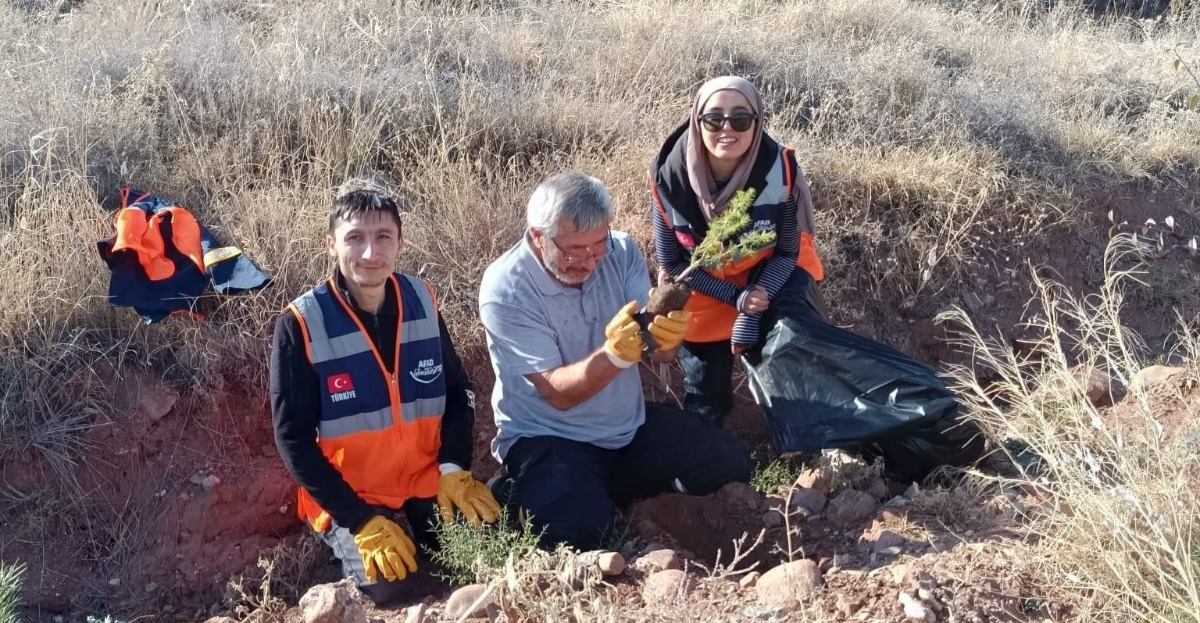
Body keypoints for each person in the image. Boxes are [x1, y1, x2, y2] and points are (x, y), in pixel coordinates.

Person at [479, 171, 753, 551]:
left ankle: (594, 492)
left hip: (624, 429)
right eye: (575, 250)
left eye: (597, 245)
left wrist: (666, 338)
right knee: (579, 535)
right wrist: (614, 355)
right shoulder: (506, 288)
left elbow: (661, 353)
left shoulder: (621, 251)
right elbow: (558, 394)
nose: (590, 262)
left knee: (730, 463)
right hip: (550, 436)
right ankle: (517, 491)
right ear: (539, 238)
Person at [270, 186, 499, 604]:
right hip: (351, 492)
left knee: (481, 554)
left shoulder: (423, 301)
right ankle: (352, 534)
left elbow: (457, 391)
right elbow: (293, 440)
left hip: (425, 479)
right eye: (355, 237)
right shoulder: (301, 323)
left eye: (383, 238)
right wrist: (358, 519)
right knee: (393, 586)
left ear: (400, 243)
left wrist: (452, 470)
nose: (370, 253)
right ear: (332, 244)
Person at [649, 76, 826, 427]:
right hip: (703, 283)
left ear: (757, 123)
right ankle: (707, 453)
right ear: (697, 121)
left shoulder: (781, 170)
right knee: (707, 395)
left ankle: (803, 437)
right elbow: (672, 261)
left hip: (768, 275)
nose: (726, 128)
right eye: (713, 118)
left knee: (795, 346)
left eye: (740, 119)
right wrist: (735, 298)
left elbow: (788, 253)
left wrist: (754, 300)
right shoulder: (668, 177)